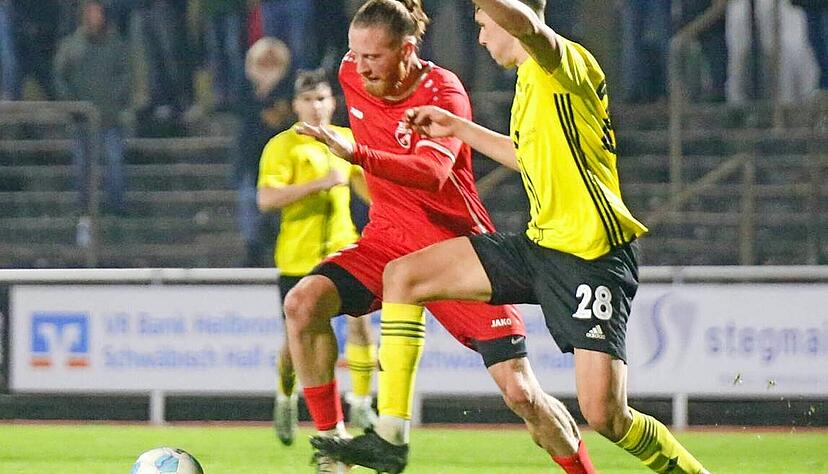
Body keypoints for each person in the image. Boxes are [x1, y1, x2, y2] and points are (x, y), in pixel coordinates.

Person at [319, 1, 712, 473]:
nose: (482, 38)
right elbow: (526, 155)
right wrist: (458, 128)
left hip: (591, 256)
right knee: (402, 275)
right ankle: (390, 437)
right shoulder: (529, 83)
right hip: (540, 246)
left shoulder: (560, 62)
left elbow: (528, 24)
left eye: (485, 25)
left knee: (606, 416)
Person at [288, 1, 594, 473]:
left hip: (455, 251)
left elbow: (432, 172)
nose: (359, 66)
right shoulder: (351, 74)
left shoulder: (443, 90)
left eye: (373, 56)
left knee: (522, 393)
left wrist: (358, 153)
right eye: (355, 54)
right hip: (387, 243)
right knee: (303, 303)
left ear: (407, 50)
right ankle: (333, 448)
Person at [256, 69, 378, 446]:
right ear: (296, 105)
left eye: (322, 99)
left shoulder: (345, 141)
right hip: (298, 258)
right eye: (308, 100)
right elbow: (265, 199)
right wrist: (317, 185)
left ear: (333, 103)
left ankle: (360, 401)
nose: (315, 106)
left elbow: (368, 190)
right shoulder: (282, 146)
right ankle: (285, 396)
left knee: (360, 324)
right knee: (294, 345)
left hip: (343, 251)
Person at [54, 0, 130, 217]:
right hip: (82, 119)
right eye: (91, 12)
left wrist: (114, 100)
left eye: (98, 12)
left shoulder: (116, 44)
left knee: (115, 163)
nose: (95, 16)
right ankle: (84, 208)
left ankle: (117, 207)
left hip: (109, 117)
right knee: (82, 166)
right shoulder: (72, 45)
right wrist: (71, 103)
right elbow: (60, 76)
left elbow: (125, 75)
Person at [236, 37, 295, 267]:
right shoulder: (245, 88)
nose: (267, 67)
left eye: (272, 62)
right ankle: (253, 250)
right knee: (249, 204)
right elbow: (250, 117)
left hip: (281, 161)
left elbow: (282, 118)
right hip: (251, 159)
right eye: (263, 61)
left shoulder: (289, 88)